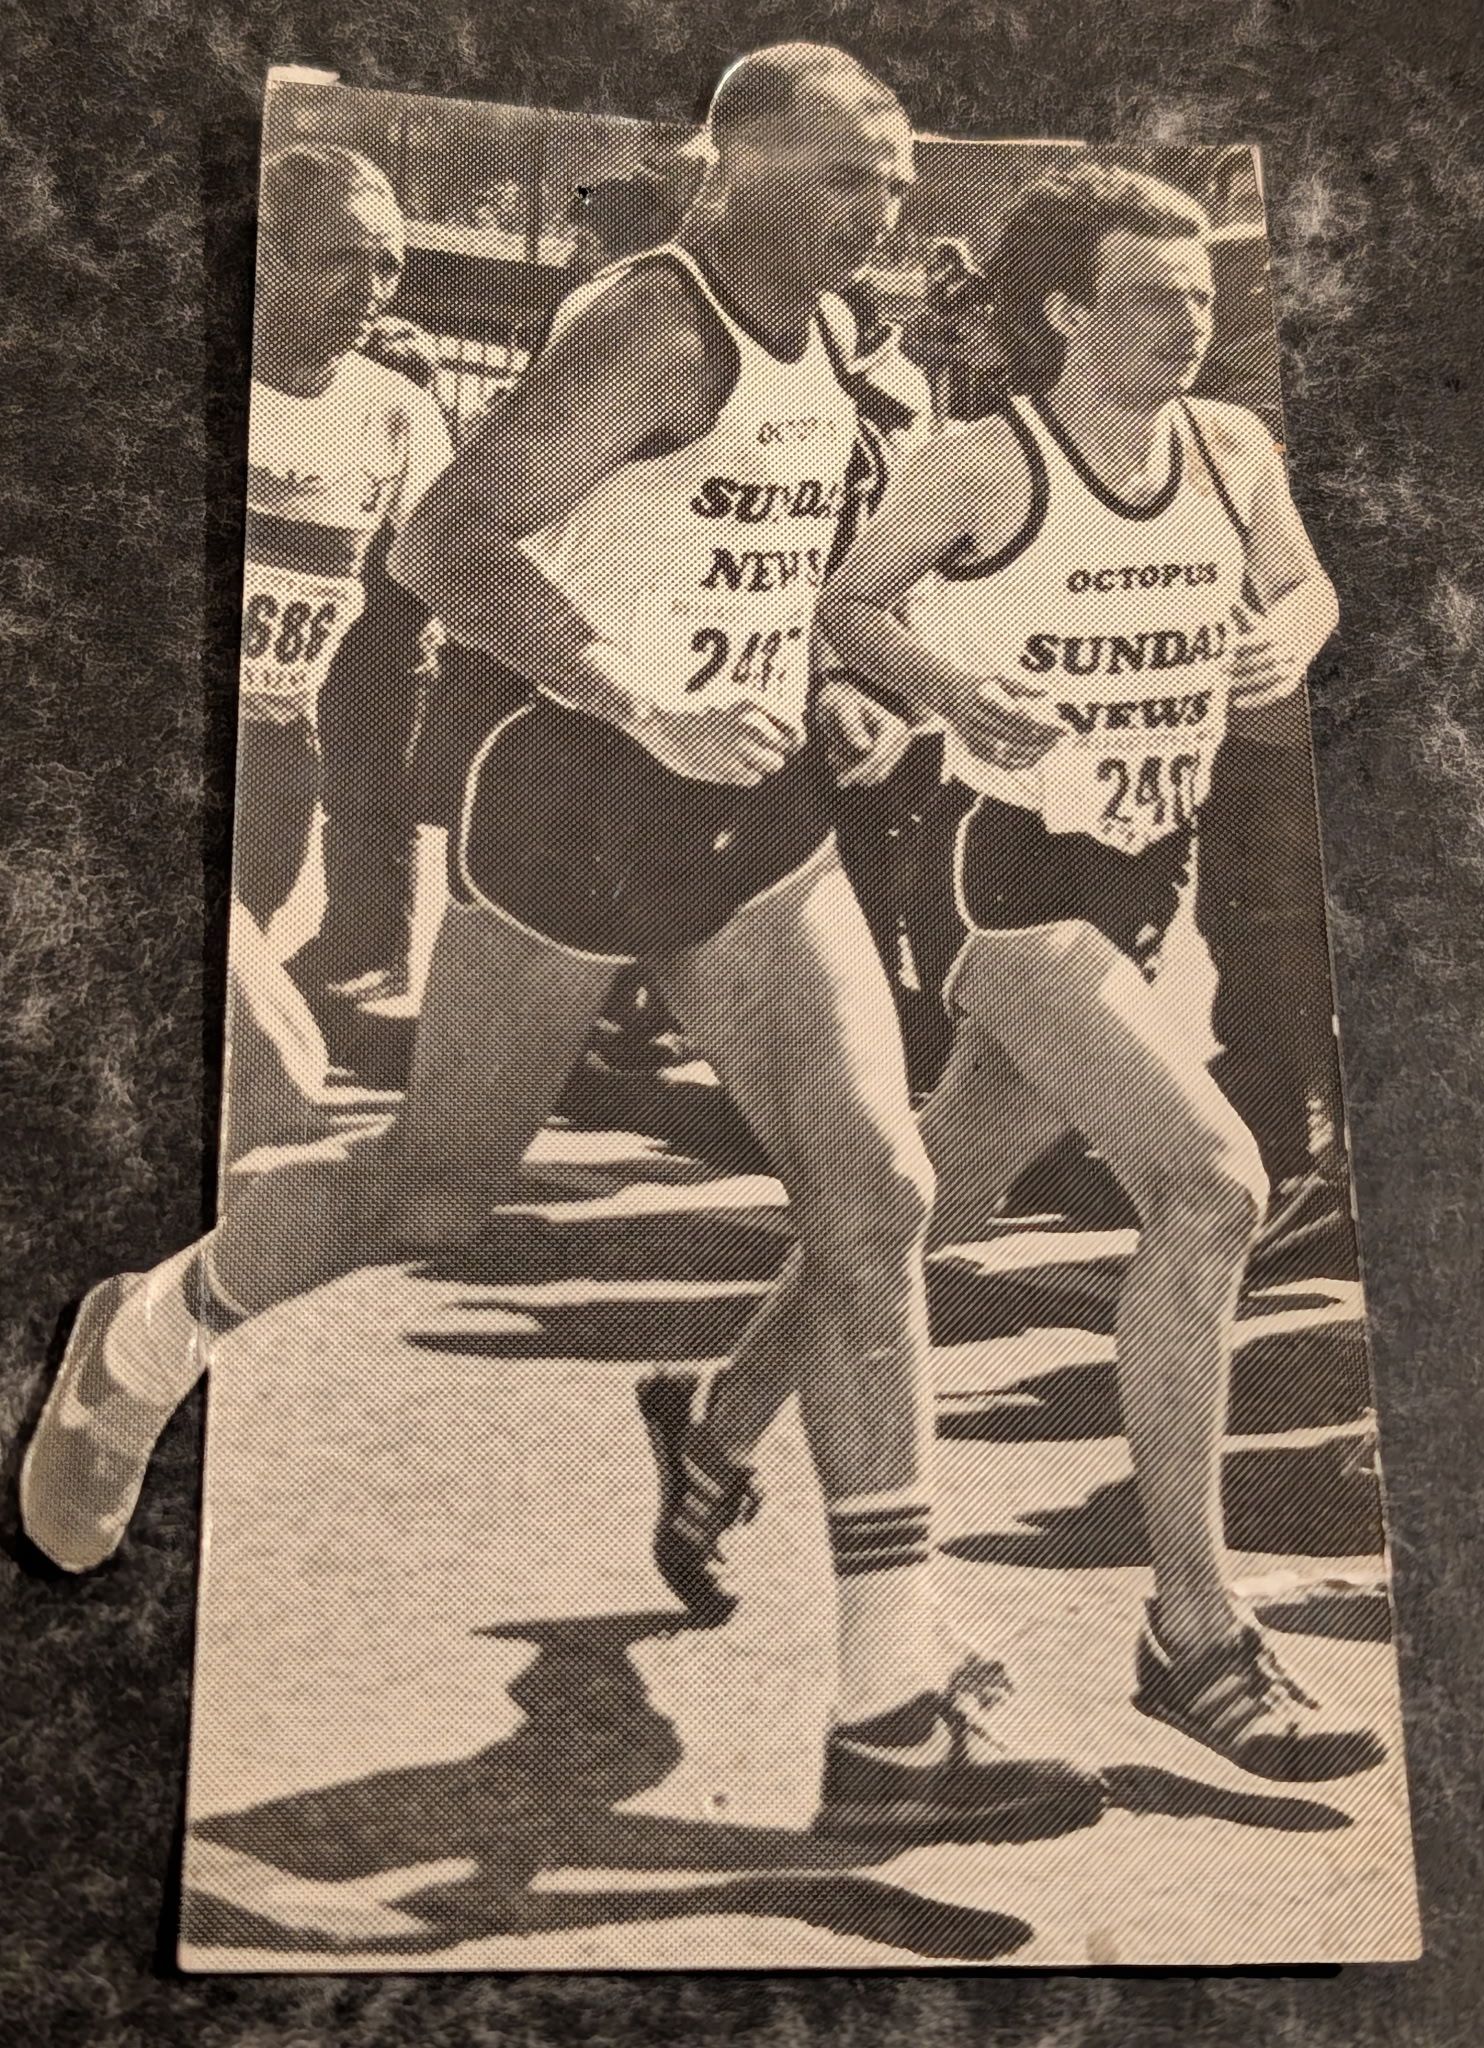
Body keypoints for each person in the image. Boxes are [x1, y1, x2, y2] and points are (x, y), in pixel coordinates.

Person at [22, 46, 1100, 1845]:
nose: (885, 209)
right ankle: (142, 1334)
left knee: (876, 1196)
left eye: (898, 180)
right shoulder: (654, 329)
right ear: (732, 163)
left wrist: (855, 697)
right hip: (578, 809)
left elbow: (766, 569)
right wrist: (637, 697)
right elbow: (447, 541)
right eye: (848, 176)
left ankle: (892, 1694)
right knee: (435, 1187)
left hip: (750, 823)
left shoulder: (834, 339)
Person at [808, 159, 1386, 1782]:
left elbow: (1303, 583)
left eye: (1203, 292)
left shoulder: (1233, 448)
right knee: (1212, 1181)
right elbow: (847, 604)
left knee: (936, 1196)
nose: (1187, 319)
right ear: (1061, 307)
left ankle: (706, 1430)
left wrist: (1300, 634)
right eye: (1150, 293)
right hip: (999, 871)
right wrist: (952, 691)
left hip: (1140, 881)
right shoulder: (984, 461)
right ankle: (1192, 1633)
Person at [238, 144, 453, 1022]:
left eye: (387, 265)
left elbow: (453, 560)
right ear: (270, 255)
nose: (371, 287)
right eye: (342, 259)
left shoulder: (393, 408)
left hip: (281, 751)